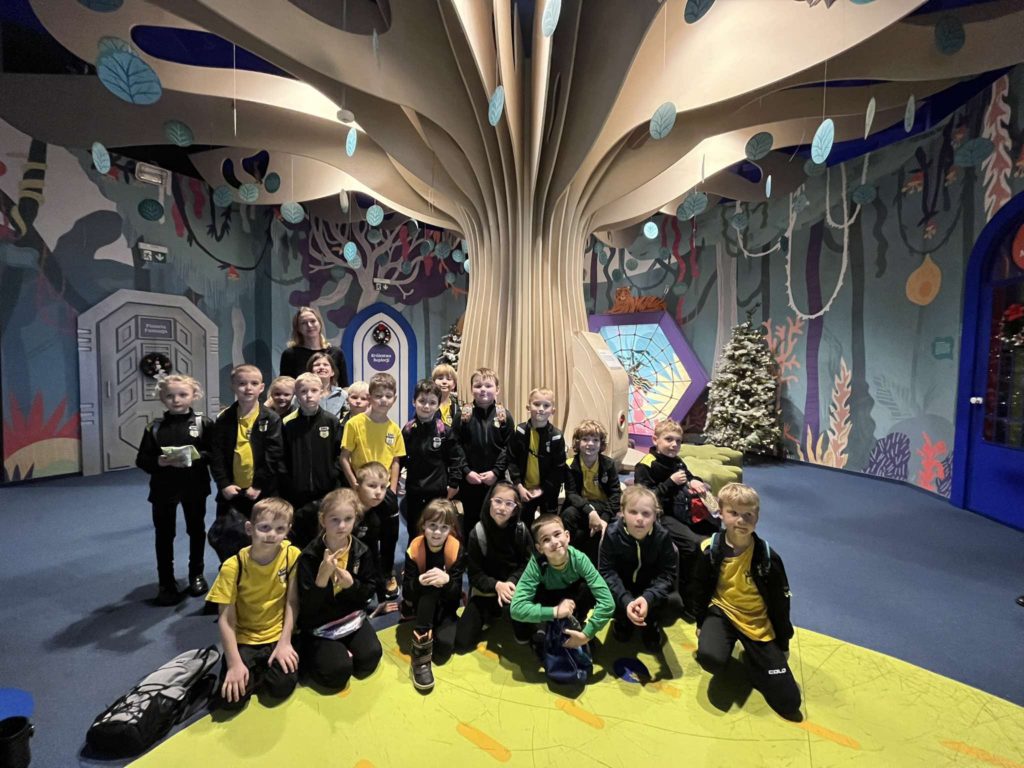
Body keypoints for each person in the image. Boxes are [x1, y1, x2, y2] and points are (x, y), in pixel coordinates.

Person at [690, 483, 802, 720]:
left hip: (757, 623)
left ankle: (755, 660)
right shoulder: (710, 550)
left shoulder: (767, 558)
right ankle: (729, 646)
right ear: (721, 512)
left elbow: (781, 604)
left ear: (757, 518)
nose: (741, 520)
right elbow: (699, 589)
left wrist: (783, 643)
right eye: (733, 513)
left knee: (789, 702)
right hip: (722, 612)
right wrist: (700, 623)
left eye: (748, 515)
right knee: (709, 658)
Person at [206, 497, 301, 710]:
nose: (271, 534)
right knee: (231, 701)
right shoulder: (233, 567)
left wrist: (285, 642)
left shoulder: (292, 556)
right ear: (250, 528)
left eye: (280, 529)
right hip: (245, 639)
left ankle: (260, 671)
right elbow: (226, 619)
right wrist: (234, 663)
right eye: (264, 527)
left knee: (281, 688)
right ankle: (251, 669)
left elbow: (292, 602)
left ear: (288, 531)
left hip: (276, 635)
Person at [135, 374, 215, 605]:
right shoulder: (154, 427)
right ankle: (166, 582)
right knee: (164, 534)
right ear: (162, 398)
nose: (176, 400)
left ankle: (196, 574)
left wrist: (195, 456)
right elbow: (142, 459)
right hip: (163, 488)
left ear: (194, 396)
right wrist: (159, 462)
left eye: (182, 394)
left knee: (196, 530)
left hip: (194, 486)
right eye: (170, 396)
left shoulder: (203, 423)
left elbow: (215, 453)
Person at [296, 488, 382, 691]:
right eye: (334, 519)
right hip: (320, 625)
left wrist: (352, 585)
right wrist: (321, 578)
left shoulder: (361, 551)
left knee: (370, 658)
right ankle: (311, 650)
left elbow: (368, 593)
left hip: (351, 617)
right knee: (336, 673)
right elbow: (306, 609)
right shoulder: (309, 556)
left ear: (355, 519)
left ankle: (343, 651)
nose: (342, 526)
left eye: (348, 519)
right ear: (322, 520)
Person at [633, 419, 714, 616]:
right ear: (655, 440)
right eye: (668, 439)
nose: (674, 445)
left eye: (678, 441)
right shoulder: (646, 465)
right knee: (694, 545)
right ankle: (688, 598)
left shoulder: (677, 461)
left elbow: (690, 476)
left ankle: (710, 591)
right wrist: (670, 482)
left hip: (683, 512)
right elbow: (643, 500)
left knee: (715, 535)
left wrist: (695, 481)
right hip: (661, 516)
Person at [341, 373, 406, 599]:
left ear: (394, 399)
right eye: (378, 395)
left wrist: (392, 489)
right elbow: (344, 457)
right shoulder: (354, 424)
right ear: (370, 397)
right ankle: (365, 578)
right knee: (364, 537)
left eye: (388, 396)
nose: (383, 400)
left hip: (385, 491)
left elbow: (396, 460)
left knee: (390, 536)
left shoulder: (393, 428)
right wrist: (355, 484)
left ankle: (387, 574)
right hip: (362, 493)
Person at [510, 514, 614, 655]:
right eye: (546, 539)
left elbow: (608, 602)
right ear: (539, 548)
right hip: (548, 602)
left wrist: (587, 634)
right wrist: (555, 612)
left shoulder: (580, 559)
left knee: (587, 589)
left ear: (567, 536)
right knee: (537, 642)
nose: (554, 542)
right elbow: (516, 608)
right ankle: (542, 628)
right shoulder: (536, 565)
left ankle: (577, 623)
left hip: (572, 601)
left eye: (557, 534)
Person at [455, 483, 533, 652]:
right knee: (462, 641)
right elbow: (475, 574)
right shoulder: (477, 533)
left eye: (509, 504)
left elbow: (528, 565)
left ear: (515, 509)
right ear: (489, 502)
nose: (502, 508)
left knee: (526, 637)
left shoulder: (521, 531)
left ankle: (509, 613)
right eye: (498, 501)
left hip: (514, 589)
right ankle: (492, 612)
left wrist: (511, 583)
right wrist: (497, 586)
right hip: (486, 590)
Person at [598, 486, 677, 653]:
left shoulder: (662, 537)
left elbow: (667, 574)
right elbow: (607, 572)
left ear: (655, 515)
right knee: (602, 595)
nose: (639, 519)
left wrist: (648, 598)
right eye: (633, 512)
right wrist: (626, 601)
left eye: (646, 514)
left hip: (648, 588)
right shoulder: (611, 534)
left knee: (674, 603)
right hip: (622, 588)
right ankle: (623, 619)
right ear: (622, 513)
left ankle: (650, 621)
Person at [401, 499, 464, 692]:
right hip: (421, 601)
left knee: (443, 652)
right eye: (432, 526)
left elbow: (456, 593)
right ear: (424, 526)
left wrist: (447, 580)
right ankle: (420, 657)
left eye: (444, 527)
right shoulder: (415, 548)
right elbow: (407, 591)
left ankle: (434, 632)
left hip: (445, 604)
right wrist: (420, 581)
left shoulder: (455, 549)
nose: (437, 533)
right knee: (430, 585)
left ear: (451, 529)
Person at [209, 364, 285, 525]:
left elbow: (273, 455)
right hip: (231, 491)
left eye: (254, 383)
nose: (248, 388)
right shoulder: (224, 419)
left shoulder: (271, 419)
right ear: (233, 386)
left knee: (264, 531)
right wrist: (224, 484)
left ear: (262, 388)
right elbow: (216, 455)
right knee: (229, 534)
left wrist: (258, 485)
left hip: (262, 491)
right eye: (242, 383)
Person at [280, 373, 341, 549]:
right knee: (299, 535)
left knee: (323, 534)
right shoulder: (288, 423)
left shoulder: (331, 421)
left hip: (325, 490)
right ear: (296, 395)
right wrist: (288, 482)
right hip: (297, 493)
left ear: (321, 392)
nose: (309, 395)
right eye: (303, 391)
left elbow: (339, 454)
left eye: (314, 391)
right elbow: (282, 456)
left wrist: (332, 476)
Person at [400, 379, 466, 541]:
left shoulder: (444, 431)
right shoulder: (408, 430)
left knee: (437, 532)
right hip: (414, 492)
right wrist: (394, 482)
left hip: (438, 492)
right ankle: (413, 558)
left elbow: (457, 459)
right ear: (414, 402)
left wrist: (453, 484)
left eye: (432, 402)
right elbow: (399, 459)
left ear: (438, 405)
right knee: (414, 531)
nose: (426, 406)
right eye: (422, 401)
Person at [458, 367, 513, 536]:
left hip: (496, 481)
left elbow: (509, 447)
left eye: (488, 386)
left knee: (496, 522)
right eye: (478, 386)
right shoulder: (463, 416)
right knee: (471, 522)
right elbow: (455, 446)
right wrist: (466, 471)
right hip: (470, 481)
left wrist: (496, 472)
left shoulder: (504, 416)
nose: (483, 389)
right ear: (471, 389)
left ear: (497, 390)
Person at [561, 419, 621, 563]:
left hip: (602, 505)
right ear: (577, 442)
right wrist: (590, 512)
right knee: (568, 514)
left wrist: (605, 518)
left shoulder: (608, 464)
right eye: (585, 439)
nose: (590, 444)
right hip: (581, 506)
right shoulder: (570, 464)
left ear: (601, 444)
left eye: (595, 440)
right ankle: (568, 558)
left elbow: (615, 493)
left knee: (611, 527)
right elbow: (572, 494)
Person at [508, 387, 566, 520]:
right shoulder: (519, 431)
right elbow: (512, 460)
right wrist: (519, 485)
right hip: (524, 489)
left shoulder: (556, 436)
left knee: (548, 523)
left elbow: (558, 468)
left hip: (548, 490)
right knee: (523, 522)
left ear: (553, 411)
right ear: (528, 407)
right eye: (537, 404)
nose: (541, 409)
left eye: (546, 405)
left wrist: (542, 489)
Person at [279, 306, 349, 386]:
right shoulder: (290, 354)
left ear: (320, 323)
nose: (309, 325)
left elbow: (344, 386)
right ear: (298, 328)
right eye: (303, 323)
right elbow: (284, 386)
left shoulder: (336, 353)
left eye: (313, 321)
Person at [353, 461, 391, 600]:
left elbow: (373, 553)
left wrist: (381, 595)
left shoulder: (375, 516)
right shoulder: (345, 511)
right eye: (372, 486)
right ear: (357, 486)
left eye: (383, 487)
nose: (379, 492)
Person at [307, 352, 347, 419]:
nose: (321, 367)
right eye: (317, 365)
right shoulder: (303, 395)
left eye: (325, 365)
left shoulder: (342, 395)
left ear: (332, 372)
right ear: (310, 371)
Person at [431, 363, 461, 436]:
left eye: (449, 379)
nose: (444, 382)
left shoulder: (458, 407)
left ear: (454, 385)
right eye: (440, 378)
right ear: (433, 382)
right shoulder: (428, 405)